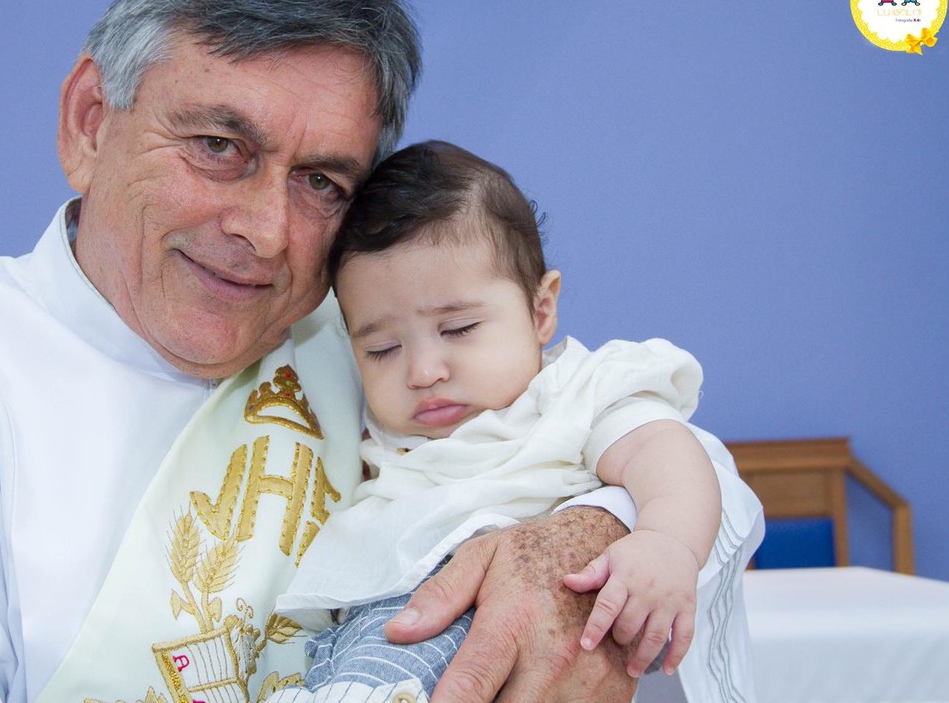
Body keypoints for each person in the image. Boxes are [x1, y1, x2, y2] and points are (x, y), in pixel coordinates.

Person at [0, 0, 762, 703]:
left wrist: (583, 534)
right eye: (220, 145)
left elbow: (686, 456)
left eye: (323, 182)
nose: (267, 229)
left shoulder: (374, 339)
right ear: (90, 121)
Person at [264, 141, 745, 703]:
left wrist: (667, 544)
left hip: (499, 621)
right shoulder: (375, 427)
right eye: (383, 349)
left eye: (460, 329)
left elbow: (667, 454)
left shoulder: (574, 392)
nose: (423, 371)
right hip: (370, 628)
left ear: (541, 311)